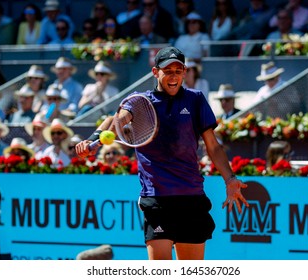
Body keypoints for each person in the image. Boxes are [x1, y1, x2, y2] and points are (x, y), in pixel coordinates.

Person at [76, 46, 248, 260]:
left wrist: (230, 179)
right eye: (168, 71)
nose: (173, 76)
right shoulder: (140, 101)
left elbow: (213, 146)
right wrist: (94, 140)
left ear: (185, 72)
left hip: (191, 198)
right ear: (156, 72)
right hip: (157, 199)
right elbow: (115, 120)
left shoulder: (195, 99)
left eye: (178, 70)